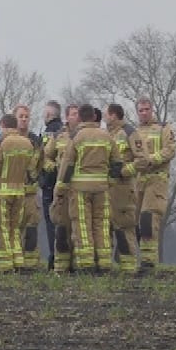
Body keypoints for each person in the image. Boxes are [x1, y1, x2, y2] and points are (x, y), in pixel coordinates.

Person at [127, 97, 176, 270]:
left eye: (146, 109)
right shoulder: (134, 132)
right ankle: (134, 260)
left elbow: (170, 150)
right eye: (140, 110)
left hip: (156, 180)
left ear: (152, 109)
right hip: (138, 182)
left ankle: (148, 262)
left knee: (148, 220)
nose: (144, 113)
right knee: (134, 223)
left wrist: (152, 160)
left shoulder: (164, 128)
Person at [0, 114, 38, 272]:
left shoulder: (2, 143)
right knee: (15, 229)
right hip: (21, 192)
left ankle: (5, 264)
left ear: (3, 125)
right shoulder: (28, 143)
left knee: (1, 228)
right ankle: (18, 262)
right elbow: (31, 170)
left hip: (2, 192)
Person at [68, 104, 116, 272]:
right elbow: (116, 164)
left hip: (80, 189)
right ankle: (104, 263)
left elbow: (67, 165)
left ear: (80, 118)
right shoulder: (107, 137)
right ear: (95, 117)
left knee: (83, 225)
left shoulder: (77, 137)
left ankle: (86, 264)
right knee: (101, 225)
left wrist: (61, 187)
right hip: (102, 188)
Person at [103, 103, 139, 272]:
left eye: (106, 114)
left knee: (124, 227)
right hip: (108, 188)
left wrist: (125, 172)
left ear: (113, 115)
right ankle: (106, 265)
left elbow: (143, 159)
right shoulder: (107, 135)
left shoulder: (130, 132)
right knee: (106, 226)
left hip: (124, 189)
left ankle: (128, 267)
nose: (104, 117)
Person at [14, 104, 42, 270]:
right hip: (12, 191)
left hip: (30, 193)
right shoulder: (7, 139)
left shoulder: (35, 140)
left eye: (26, 116)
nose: (24, 119)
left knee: (31, 227)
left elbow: (40, 163)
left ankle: (31, 264)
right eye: (21, 116)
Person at [37, 101, 64, 269]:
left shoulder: (47, 133)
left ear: (48, 115)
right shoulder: (65, 131)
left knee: (51, 222)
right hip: (64, 184)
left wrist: (43, 180)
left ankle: (54, 257)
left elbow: (42, 158)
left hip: (49, 185)